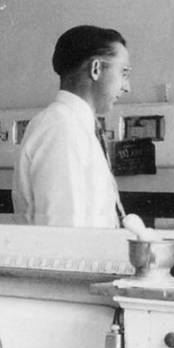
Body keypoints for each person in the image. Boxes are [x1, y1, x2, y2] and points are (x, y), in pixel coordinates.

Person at [13, 25, 131, 228]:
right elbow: (62, 231)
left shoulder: (77, 127)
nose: (127, 87)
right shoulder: (61, 129)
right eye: (124, 72)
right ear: (96, 69)